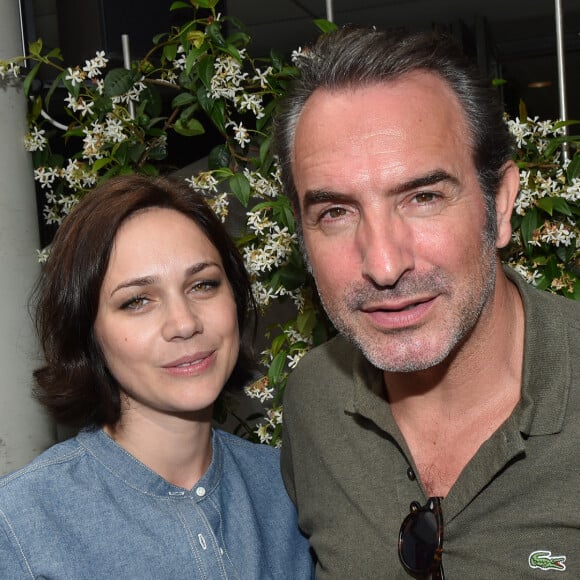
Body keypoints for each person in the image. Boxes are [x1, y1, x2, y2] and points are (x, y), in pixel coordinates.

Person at [273, 26, 580, 579]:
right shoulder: (314, 401)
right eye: (336, 213)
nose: (384, 265)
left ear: (501, 205)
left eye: (423, 198)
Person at [0, 175, 314, 579]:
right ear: (87, 331)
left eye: (203, 285)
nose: (183, 323)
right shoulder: (22, 525)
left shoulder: (291, 489)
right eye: (137, 301)